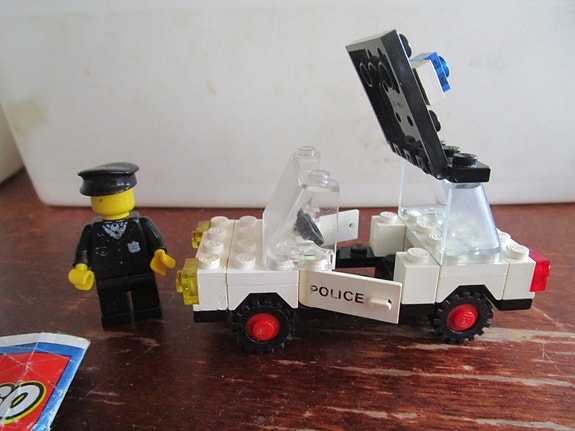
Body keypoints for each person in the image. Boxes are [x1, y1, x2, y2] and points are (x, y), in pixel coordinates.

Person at [68, 162, 175, 327]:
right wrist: (81, 268)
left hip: (140, 269)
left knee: (145, 298)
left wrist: (159, 253)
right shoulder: (91, 230)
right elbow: (83, 251)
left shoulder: (141, 223)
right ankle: (116, 316)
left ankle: (148, 311)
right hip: (107, 274)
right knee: (112, 301)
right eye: (102, 199)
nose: (109, 202)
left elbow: (155, 240)